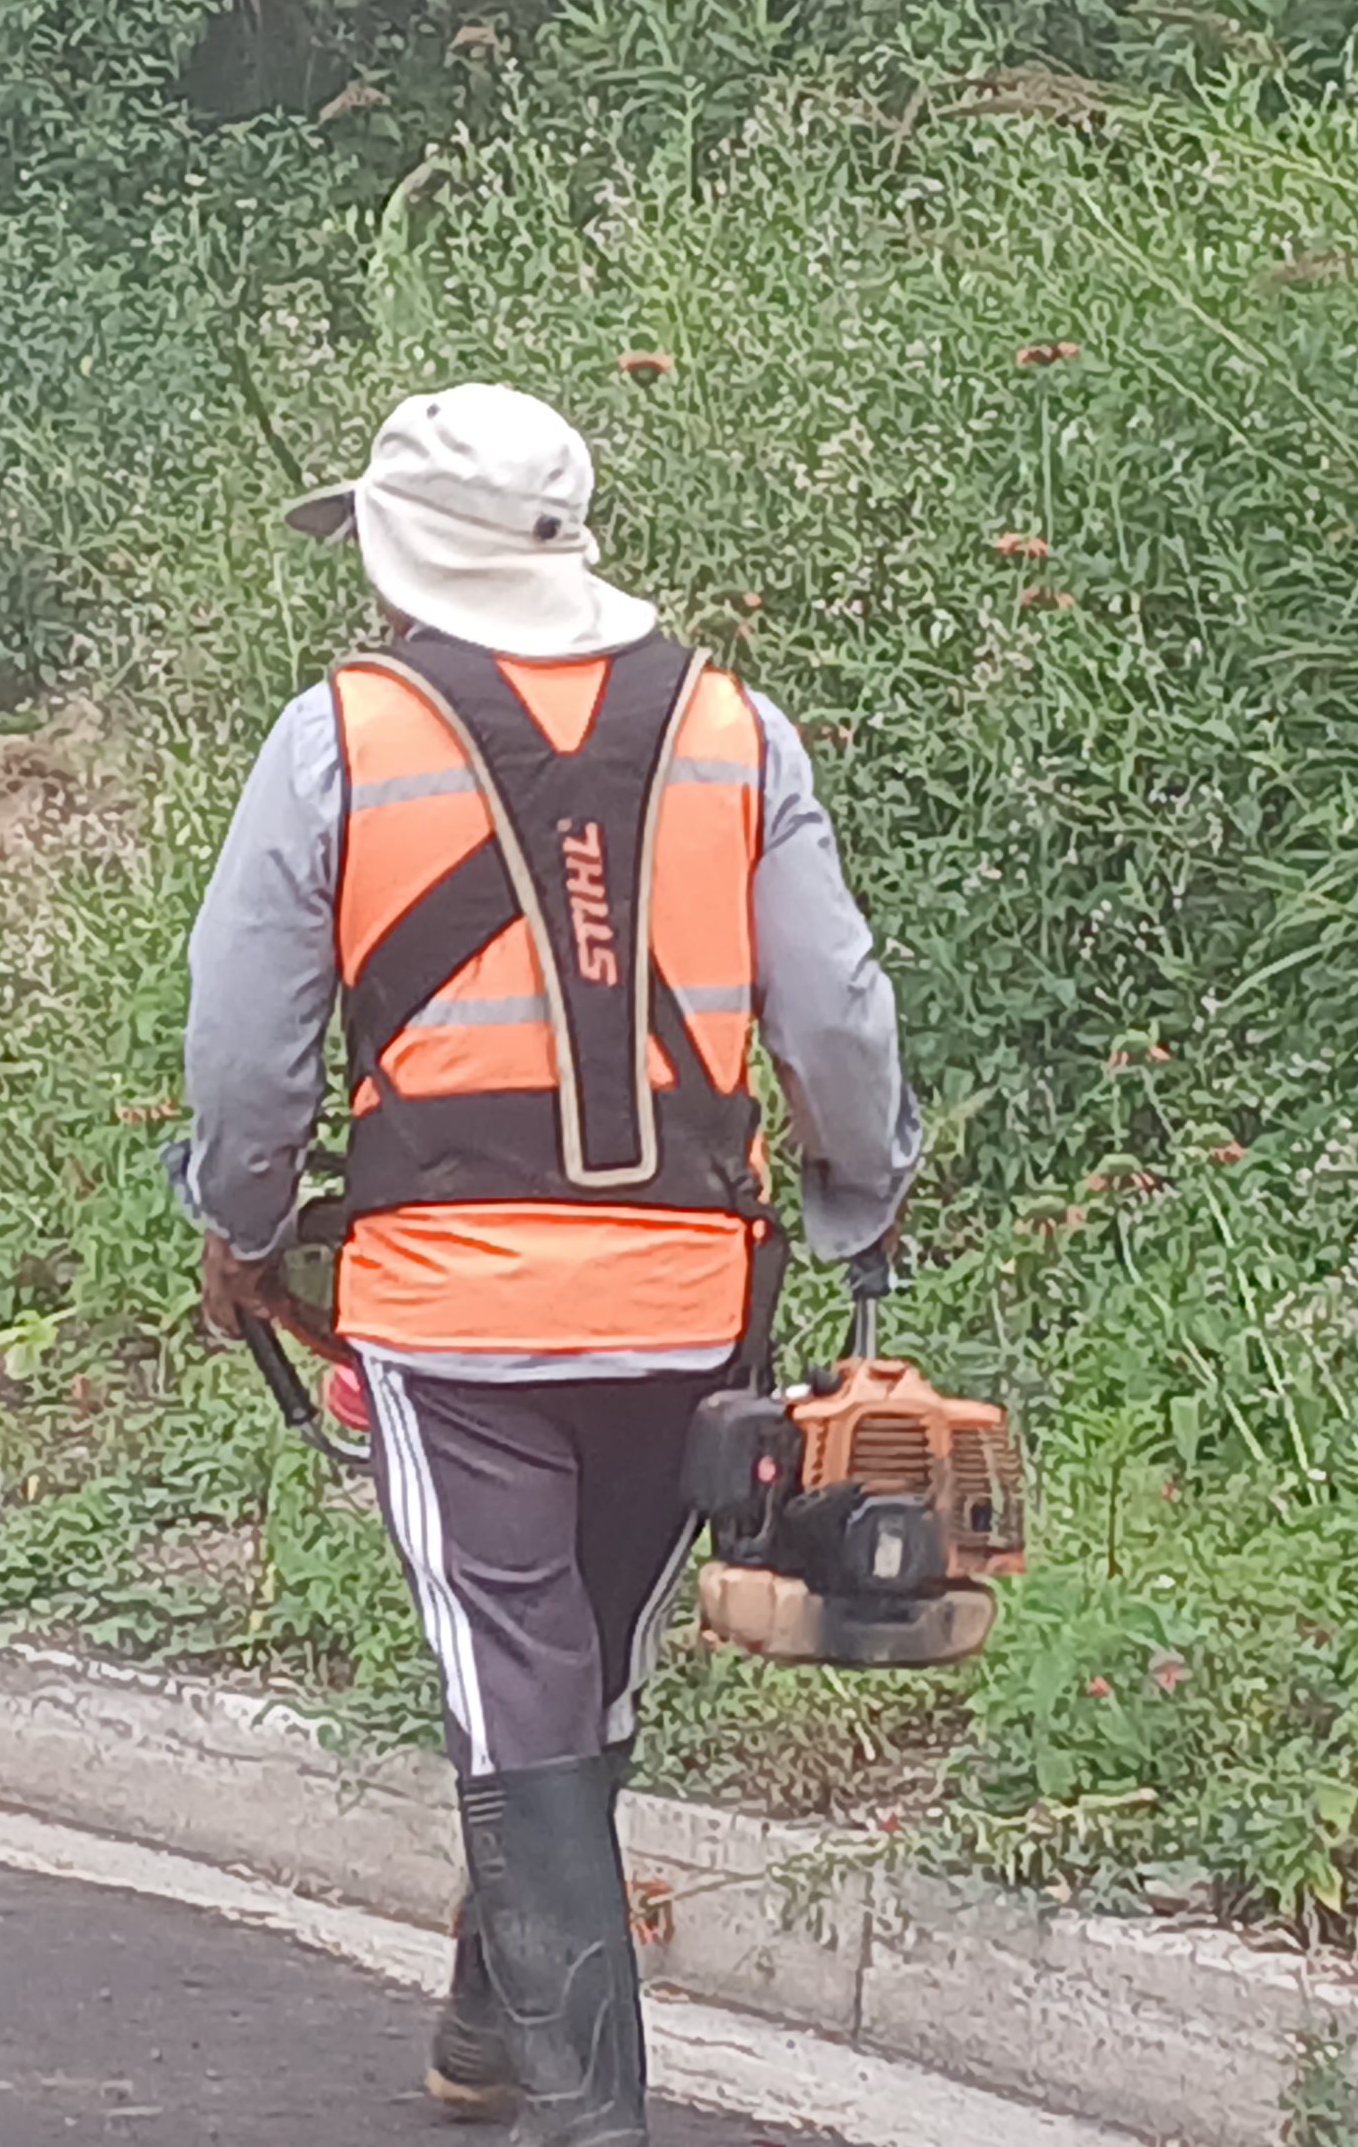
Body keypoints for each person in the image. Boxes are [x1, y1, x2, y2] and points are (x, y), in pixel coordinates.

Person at [172, 383, 919, 2147]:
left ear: (399, 559)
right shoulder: (734, 728)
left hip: (455, 1316)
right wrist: (862, 1190)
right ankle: (487, 2021)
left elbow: (249, 1049)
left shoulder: (341, 737)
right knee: (577, 1683)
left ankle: (593, 2115)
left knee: (517, 1684)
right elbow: (834, 1012)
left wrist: (243, 1225)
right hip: (689, 1309)